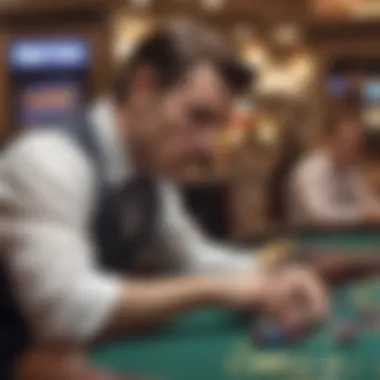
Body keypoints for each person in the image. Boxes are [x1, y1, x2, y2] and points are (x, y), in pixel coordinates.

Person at [0, 20, 328, 380]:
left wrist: (274, 276)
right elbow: (62, 311)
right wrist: (215, 289)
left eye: (216, 126)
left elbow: (195, 257)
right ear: (143, 87)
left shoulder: (150, 178)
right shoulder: (47, 160)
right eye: (198, 116)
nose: (207, 146)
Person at [287, 109, 380, 226]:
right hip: (308, 238)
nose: (354, 147)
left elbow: (366, 201)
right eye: (348, 141)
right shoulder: (311, 171)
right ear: (330, 139)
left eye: (357, 142)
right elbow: (318, 215)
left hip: (342, 236)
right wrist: (361, 214)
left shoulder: (348, 169)